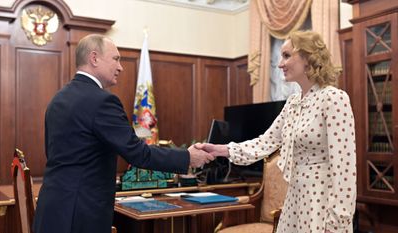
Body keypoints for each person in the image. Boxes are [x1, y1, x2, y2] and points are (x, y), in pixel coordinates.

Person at [33, 34, 213, 233]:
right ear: (94, 58)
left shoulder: (58, 99)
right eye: (116, 59)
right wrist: (187, 157)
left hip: (52, 209)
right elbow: (138, 153)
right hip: (80, 213)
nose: (121, 67)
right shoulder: (102, 101)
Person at [196, 30, 356, 233]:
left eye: (287, 56)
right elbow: (265, 143)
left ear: (308, 58)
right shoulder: (293, 103)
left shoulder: (334, 99)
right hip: (295, 200)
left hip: (321, 205)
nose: (280, 63)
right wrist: (221, 150)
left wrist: (336, 222)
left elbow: (344, 169)